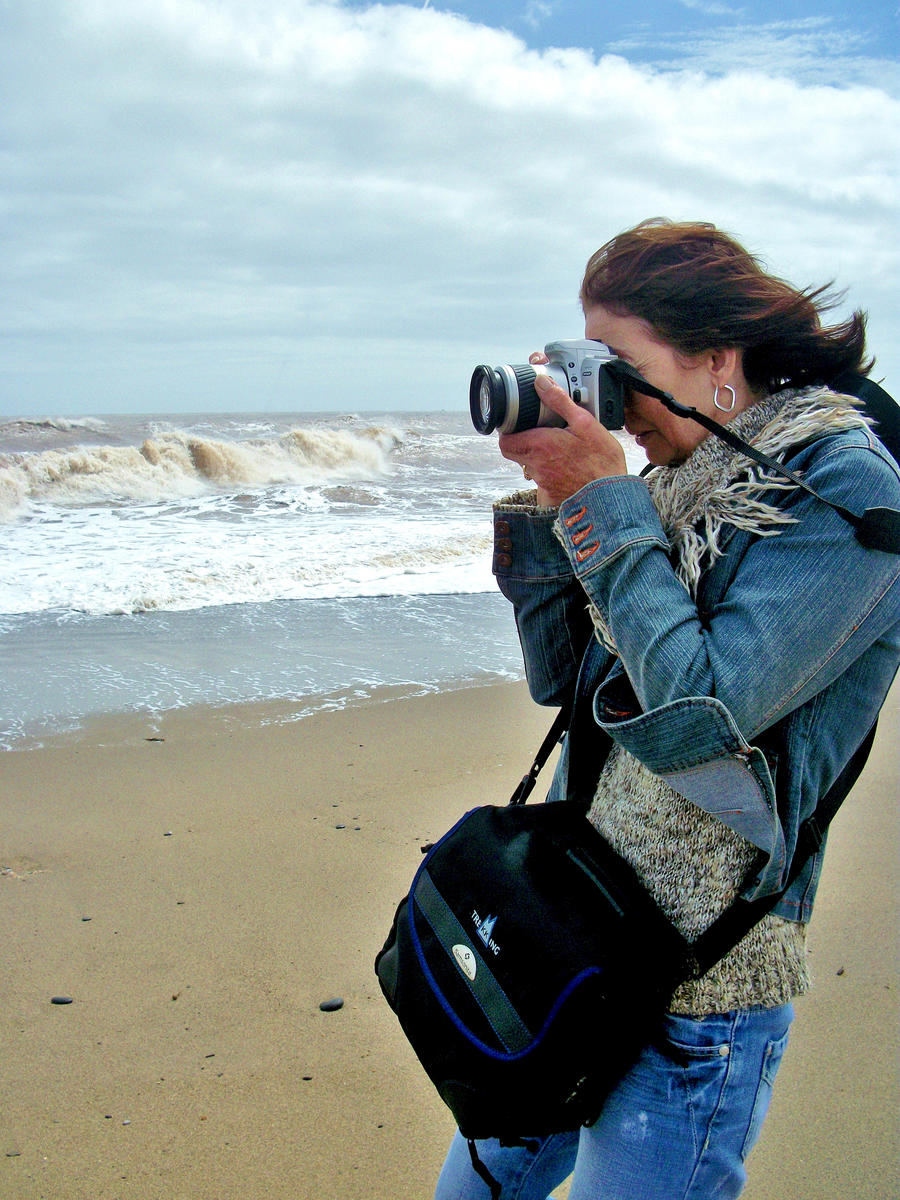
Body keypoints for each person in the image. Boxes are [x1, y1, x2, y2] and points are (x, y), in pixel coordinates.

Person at [434, 218, 900, 1200]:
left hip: (702, 974)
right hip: (580, 920)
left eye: (619, 364)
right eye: (584, 364)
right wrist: (552, 502)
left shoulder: (840, 485)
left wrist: (603, 501)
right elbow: (569, 684)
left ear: (717, 358)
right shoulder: (679, 478)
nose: (605, 394)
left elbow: (701, 713)